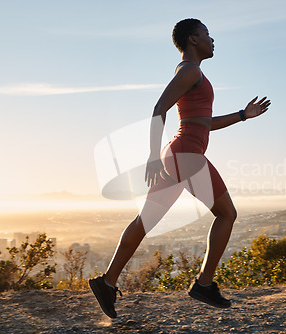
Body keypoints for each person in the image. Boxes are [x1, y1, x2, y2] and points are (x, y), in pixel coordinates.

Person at [89, 18, 270, 318]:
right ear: (192, 40)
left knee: (144, 222)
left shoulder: (191, 74)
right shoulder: (190, 70)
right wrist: (150, 156)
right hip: (185, 154)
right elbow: (159, 108)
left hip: (178, 153)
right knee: (227, 214)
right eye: (207, 35)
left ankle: (107, 282)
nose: (213, 40)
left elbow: (204, 124)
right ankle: (204, 283)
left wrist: (242, 115)